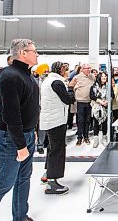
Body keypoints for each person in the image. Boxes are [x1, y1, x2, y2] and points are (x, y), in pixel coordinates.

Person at [0, 39, 39, 221]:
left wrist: (32, 131)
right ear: (22, 53)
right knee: (4, 183)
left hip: (26, 134)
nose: (37, 55)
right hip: (11, 138)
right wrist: (21, 144)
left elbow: (29, 106)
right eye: (34, 51)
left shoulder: (28, 75)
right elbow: (11, 114)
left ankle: (20, 216)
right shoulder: (10, 75)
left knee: (23, 179)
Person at [40, 61, 75, 195]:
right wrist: (71, 88)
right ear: (61, 69)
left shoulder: (48, 81)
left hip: (50, 119)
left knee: (52, 148)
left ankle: (47, 173)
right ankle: (52, 183)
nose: (67, 72)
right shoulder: (57, 82)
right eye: (66, 69)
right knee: (57, 150)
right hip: (56, 120)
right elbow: (67, 99)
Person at [69, 63, 95, 146]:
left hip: (89, 102)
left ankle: (86, 136)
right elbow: (70, 86)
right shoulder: (77, 77)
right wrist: (74, 90)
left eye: (89, 68)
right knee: (80, 120)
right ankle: (79, 137)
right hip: (80, 101)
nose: (89, 70)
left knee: (87, 121)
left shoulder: (92, 77)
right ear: (82, 69)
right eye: (87, 68)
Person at [89, 72, 112, 148]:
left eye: (105, 76)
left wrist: (107, 101)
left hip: (106, 106)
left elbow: (112, 95)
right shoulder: (94, 87)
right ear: (99, 77)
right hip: (97, 107)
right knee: (96, 123)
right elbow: (92, 96)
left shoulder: (108, 86)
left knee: (105, 123)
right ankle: (96, 140)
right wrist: (101, 101)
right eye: (102, 76)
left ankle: (104, 138)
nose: (104, 77)